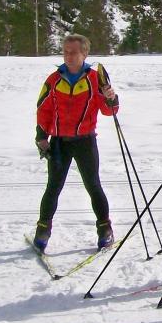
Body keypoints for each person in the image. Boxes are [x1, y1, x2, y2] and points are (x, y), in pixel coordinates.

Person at [34, 34, 119, 252]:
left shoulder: (95, 79)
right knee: (53, 187)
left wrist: (111, 97)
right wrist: (41, 137)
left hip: (85, 142)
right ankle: (43, 229)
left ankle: (105, 229)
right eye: (65, 52)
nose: (68, 56)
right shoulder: (54, 79)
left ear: (84, 53)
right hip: (59, 142)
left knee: (93, 186)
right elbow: (44, 110)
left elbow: (109, 111)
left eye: (73, 52)